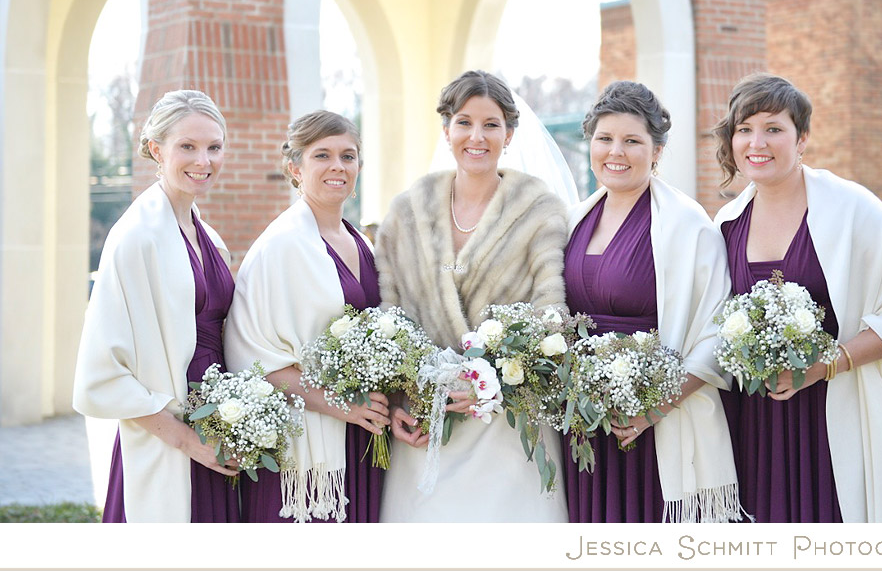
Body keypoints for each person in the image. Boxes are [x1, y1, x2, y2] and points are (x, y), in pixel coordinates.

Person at [712, 72, 882, 523]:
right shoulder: (726, 224)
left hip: (849, 409)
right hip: (765, 426)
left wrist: (823, 365)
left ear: (803, 139)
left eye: (774, 129)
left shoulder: (856, 210)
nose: (758, 142)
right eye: (745, 129)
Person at [375, 70, 570, 522]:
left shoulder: (540, 210)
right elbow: (389, 316)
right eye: (464, 122)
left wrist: (491, 383)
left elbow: (551, 315)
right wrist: (399, 402)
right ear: (446, 131)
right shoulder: (407, 211)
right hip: (426, 421)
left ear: (510, 133)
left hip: (507, 425)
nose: (476, 136)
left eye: (491, 124)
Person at [562, 81, 742, 523]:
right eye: (604, 139)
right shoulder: (573, 219)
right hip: (584, 422)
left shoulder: (687, 225)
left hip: (656, 420)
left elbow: (716, 333)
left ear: (657, 150)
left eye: (632, 141)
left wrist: (652, 408)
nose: (615, 152)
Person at [73, 89, 240, 523]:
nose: (203, 160)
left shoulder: (207, 235)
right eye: (187, 146)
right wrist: (187, 441)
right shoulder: (135, 238)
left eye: (213, 147)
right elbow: (103, 372)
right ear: (155, 149)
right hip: (172, 439)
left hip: (215, 428)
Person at [223, 111, 388, 523]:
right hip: (305, 453)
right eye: (322, 155)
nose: (338, 166)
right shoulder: (280, 247)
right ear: (295, 168)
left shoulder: (360, 242)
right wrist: (344, 404)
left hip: (359, 436)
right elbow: (255, 363)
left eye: (348, 156)